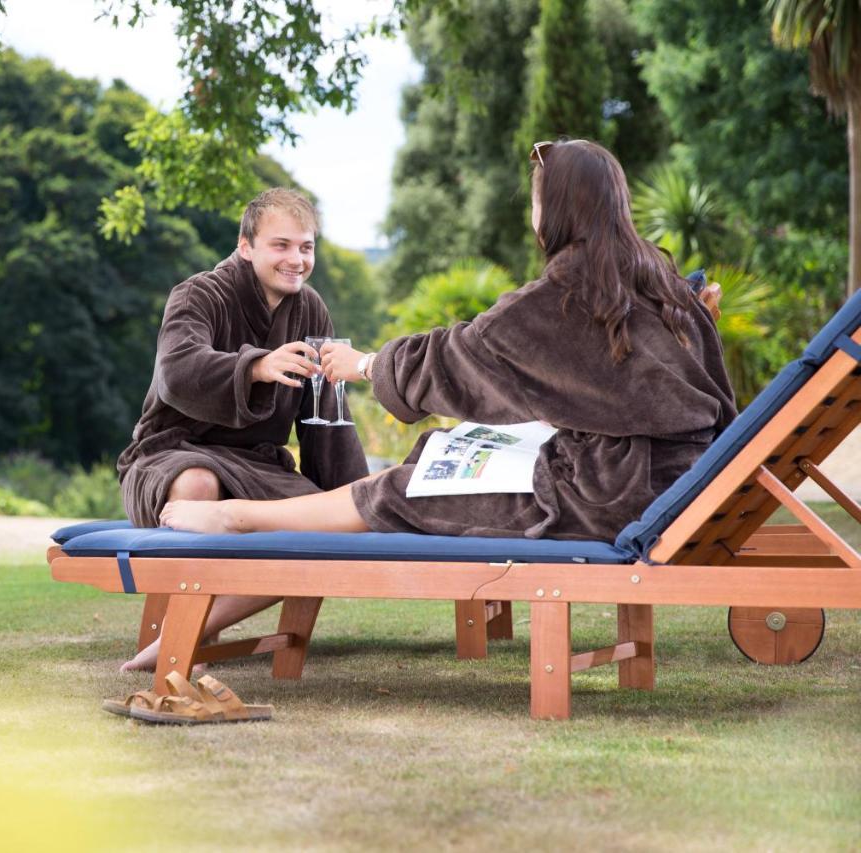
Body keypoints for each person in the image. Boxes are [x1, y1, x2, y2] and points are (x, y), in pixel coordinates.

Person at [161, 139, 737, 543]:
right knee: (449, 453)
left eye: (536, 199)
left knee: (406, 488)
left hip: (608, 495)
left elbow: (459, 356)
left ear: (554, 210)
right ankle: (245, 517)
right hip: (685, 476)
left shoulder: (565, 291)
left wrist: (365, 364)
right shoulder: (659, 279)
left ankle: (238, 520)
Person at [116, 187, 369, 671]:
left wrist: (353, 498)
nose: (296, 259)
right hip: (169, 454)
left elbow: (323, 417)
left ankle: (184, 632)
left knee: (317, 528)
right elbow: (177, 372)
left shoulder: (310, 310)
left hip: (258, 468)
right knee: (198, 481)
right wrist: (255, 367)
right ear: (245, 245)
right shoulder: (198, 295)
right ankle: (185, 634)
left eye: (306, 247)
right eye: (282, 245)